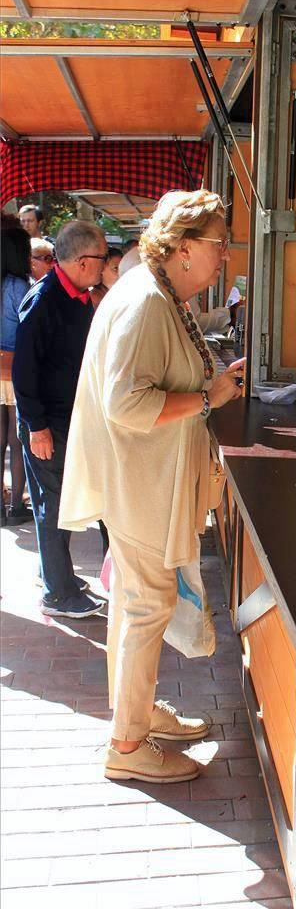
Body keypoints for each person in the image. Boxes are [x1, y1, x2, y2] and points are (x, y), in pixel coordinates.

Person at [59, 189, 244, 784]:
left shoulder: (157, 293)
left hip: (141, 480)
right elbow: (125, 403)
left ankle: (133, 717)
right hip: (137, 482)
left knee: (137, 606)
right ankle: (128, 744)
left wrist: (207, 383)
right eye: (220, 244)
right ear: (185, 248)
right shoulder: (145, 301)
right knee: (146, 607)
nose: (227, 256)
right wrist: (208, 397)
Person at [12, 220, 108, 617]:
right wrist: (37, 427)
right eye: (102, 259)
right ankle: (57, 593)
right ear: (84, 261)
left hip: (68, 419)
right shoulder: (45, 299)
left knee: (59, 503)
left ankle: (54, 575)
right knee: (53, 505)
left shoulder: (79, 294)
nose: (105, 266)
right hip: (47, 424)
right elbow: (24, 370)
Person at [1, 217, 31, 526]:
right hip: (12, 366)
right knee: (16, 436)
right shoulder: (18, 285)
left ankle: (1, 503)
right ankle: (16, 506)